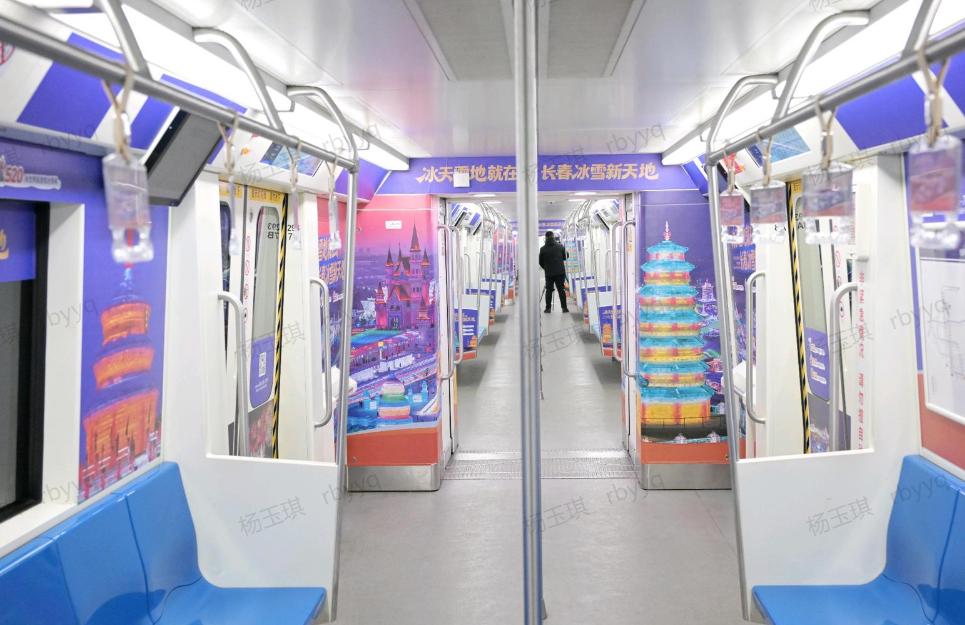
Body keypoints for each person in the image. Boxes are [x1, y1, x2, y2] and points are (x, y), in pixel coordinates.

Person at [538, 230, 569, 313]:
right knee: (561, 290)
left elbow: (540, 262)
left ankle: (548, 308)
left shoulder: (542, 249)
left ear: (546, 238)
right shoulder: (560, 246)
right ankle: (564, 308)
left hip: (549, 273)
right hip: (560, 272)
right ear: (553, 237)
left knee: (549, 290)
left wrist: (546, 267)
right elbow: (566, 256)